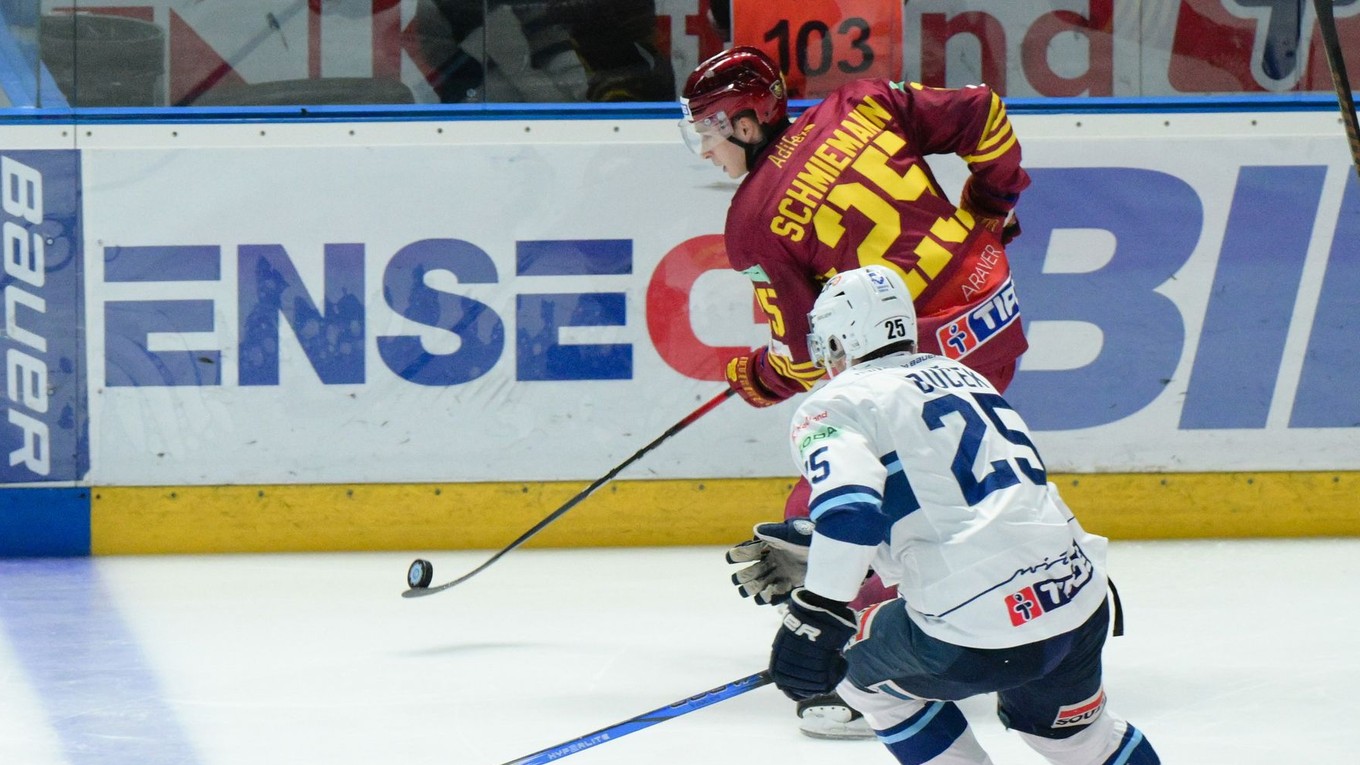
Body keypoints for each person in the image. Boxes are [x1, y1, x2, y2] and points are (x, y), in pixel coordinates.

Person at [682, 45, 1030, 737]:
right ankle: (1015, 612)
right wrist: (990, 205)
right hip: (997, 318)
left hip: (916, 360)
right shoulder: (861, 101)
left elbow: (809, 359)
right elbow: (987, 114)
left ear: (748, 124)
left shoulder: (753, 220)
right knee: (943, 485)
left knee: (832, 503)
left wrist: (759, 377)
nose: (705, 151)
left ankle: (854, 670)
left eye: (711, 132)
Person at [764, 265, 1160, 764]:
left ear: (840, 340)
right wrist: (825, 546)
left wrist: (817, 611)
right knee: (1079, 742)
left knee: (855, 674)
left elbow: (854, 514)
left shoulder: (832, 405)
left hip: (974, 623)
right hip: (1076, 594)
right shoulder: (964, 375)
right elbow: (952, 504)